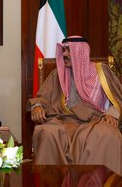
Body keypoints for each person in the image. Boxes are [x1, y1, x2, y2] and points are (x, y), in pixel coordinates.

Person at [28, 36, 122, 176]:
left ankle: (98, 181)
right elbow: (42, 98)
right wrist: (36, 106)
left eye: (69, 50)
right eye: (64, 50)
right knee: (48, 132)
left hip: (97, 120)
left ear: (81, 52)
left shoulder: (101, 72)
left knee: (106, 135)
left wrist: (112, 113)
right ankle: (52, 181)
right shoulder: (57, 75)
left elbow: (118, 98)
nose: (64, 54)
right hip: (65, 121)